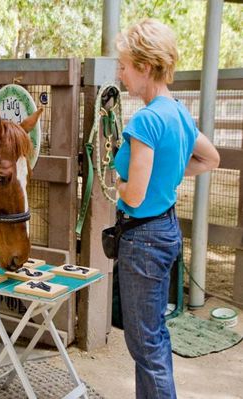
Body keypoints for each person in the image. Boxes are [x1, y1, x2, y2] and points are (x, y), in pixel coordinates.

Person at [114, 19, 220, 399]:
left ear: (144, 67)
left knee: (145, 346)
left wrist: (119, 185)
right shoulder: (177, 114)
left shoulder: (146, 120)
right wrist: (171, 177)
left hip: (143, 239)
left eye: (124, 66)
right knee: (154, 338)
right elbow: (210, 159)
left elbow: (135, 196)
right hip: (166, 231)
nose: (120, 74)